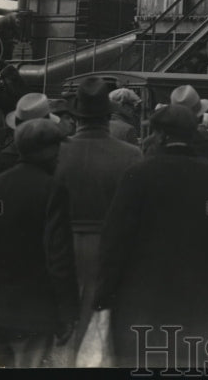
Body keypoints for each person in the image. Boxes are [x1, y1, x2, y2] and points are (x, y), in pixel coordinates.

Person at [94, 103, 208, 369]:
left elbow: (115, 240)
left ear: (162, 136)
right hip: (196, 301)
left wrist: (104, 294)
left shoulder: (138, 174)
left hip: (140, 300)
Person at [0, 119, 79, 369]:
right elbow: (58, 258)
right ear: (47, 152)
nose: (59, 156)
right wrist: (67, 314)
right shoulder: (53, 190)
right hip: (32, 315)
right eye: (57, 148)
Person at [53, 77, 142, 362]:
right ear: (108, 116)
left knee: (65, 324)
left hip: (62, 243)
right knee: (103, 330)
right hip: (110, 246)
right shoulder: (131, 154)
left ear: (78, 116)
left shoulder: (57, 152)